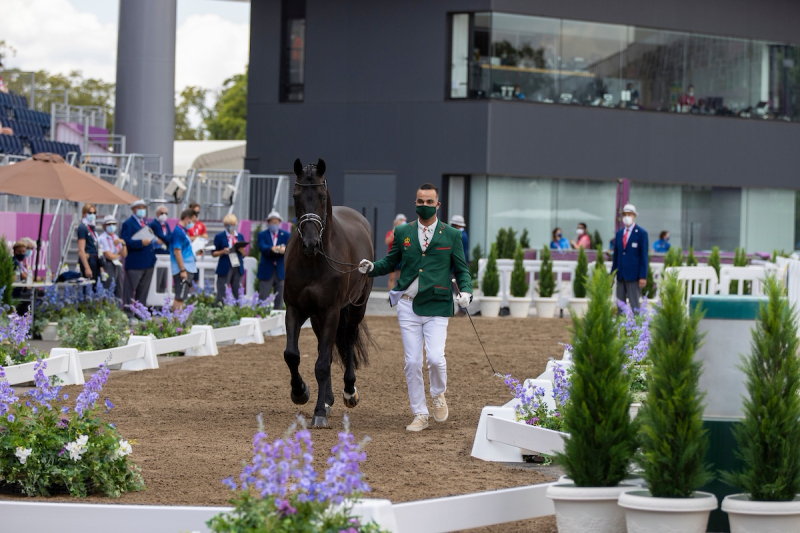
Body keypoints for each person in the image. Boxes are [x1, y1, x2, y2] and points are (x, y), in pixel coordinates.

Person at [357, 183, 472, 432]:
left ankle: (438, 394)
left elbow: (462, 269)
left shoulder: (452, 235)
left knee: (436, 359)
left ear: (437, 205)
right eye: (421, 201)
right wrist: (371, 268)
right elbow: (391, 262)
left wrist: (466, 292)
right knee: (412, 363)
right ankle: (420, 413)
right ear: (415, 203)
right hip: (407, 306)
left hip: (437, 305)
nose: (425, 205)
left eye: (430, 202)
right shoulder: (402, 232)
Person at [611, 204, 649, 313]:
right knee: (620, 305)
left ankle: (636, 323)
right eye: (625, 215)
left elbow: (644, 256)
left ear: (634, 216)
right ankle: (620, 323)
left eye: (629, 214)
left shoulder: (641, 233)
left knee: (634, 305)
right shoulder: (619, 233)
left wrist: (643, 276)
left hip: (634, 275)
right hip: (621, 274)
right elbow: (616, 255)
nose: (627, 217)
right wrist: (612, 274)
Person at [121, 199, 156, 310]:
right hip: (135, 263)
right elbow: (125, 241)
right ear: (133, 209)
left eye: (143, 208)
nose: (142, 210)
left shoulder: (145, 223)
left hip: (148, 262)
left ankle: (141, 312)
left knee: (143, 290)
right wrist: (140, 242)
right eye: (139, 208)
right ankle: (128, 311)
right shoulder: (128, 223)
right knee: (130, 289)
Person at [257, 210, 290, 309]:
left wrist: (283, 249)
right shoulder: (262, 235)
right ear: (268, 223)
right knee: (263, 297)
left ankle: (278, 314)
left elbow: (289, 248)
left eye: (276, 222)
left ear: (279, 223)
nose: (274, 224)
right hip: (266, 270)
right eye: (272, 222)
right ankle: (260, 314)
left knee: (280, 297)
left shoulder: (286, 235)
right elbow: (262, 247)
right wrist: (272, 249)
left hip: (280, 270)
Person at [213, 214, 246, 304]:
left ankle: (238, 309)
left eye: (232, 224)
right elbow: (214, 253)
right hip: (225, 266)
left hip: (237, 266)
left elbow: (244, 255)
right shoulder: (220, 236)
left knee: (238, 292)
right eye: (227, 224)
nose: (230, 226)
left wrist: (242, 251)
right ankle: (219, 309)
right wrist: (223, 252)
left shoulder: (240, 236)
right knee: (222, 292)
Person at [170, 209, 198, 310]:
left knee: (181, 297)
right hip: (183, 269)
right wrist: (182, 270)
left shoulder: (183, 231)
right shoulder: (178, 232)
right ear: (187, 218)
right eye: (193, 221)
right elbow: (177, 252)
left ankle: (178, 317)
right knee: (179, 297)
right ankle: (177, 318)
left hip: (187, 267)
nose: (193, 224)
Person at [98, 215, 127, 299]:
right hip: (108, 264)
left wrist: (123, 244)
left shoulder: (116, 237)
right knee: (108, 287)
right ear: (104, 226)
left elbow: (124, 254)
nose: (112, 226)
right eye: (109, 224)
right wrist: (119, 255)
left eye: (113, 224)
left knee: (119, 289)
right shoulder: (102, 238)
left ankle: (117, 305)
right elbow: (108, 255)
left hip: (117, 264)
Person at [149, 206, 172, 292]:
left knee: (164, 277)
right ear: (157, 213)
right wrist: (166, 239)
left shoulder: (166, 224)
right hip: (157, 253)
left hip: (165, 253)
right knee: (157, 277)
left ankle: (162, 293)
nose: (164, 215)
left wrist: (167, 239)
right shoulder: (154, 224)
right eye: (162, 213)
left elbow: (169, 236)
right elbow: (160, 235)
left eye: (166, 213)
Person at [77, 203, 102, 283]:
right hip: (88, 259)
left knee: (96, 285)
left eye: (94, 213)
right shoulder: (82, 227)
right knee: (89, 285)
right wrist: (87, 267)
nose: (92, 215)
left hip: (95, 259)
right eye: (90, 213)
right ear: (84, 214)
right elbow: (81, 250)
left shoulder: (92, 227)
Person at [385, 214, 407, 290]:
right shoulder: (391, 232)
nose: (403, 222)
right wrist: (393, 233)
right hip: (392, 257)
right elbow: (387, 242)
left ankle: (399, 293)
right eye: (401, 220)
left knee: (400, 277)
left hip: (401, 256)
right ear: (396, 222)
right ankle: (391, 293)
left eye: (404, 220)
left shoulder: (404, 232)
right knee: (392, 277)